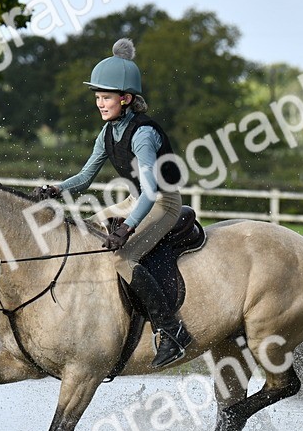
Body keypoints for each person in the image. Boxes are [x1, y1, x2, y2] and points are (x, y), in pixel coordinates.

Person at [34, 38, 192, 369]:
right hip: (136, 199)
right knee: (88, 231)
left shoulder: (143, 134)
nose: (100, 104)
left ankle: (172, 331)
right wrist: (56, 188)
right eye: (97, 97)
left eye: (106, 97)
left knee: (123, 256)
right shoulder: (107, 133)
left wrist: (127, 228)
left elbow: (151, 193)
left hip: (163, 203)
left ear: (126, 98)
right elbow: (84, 178)